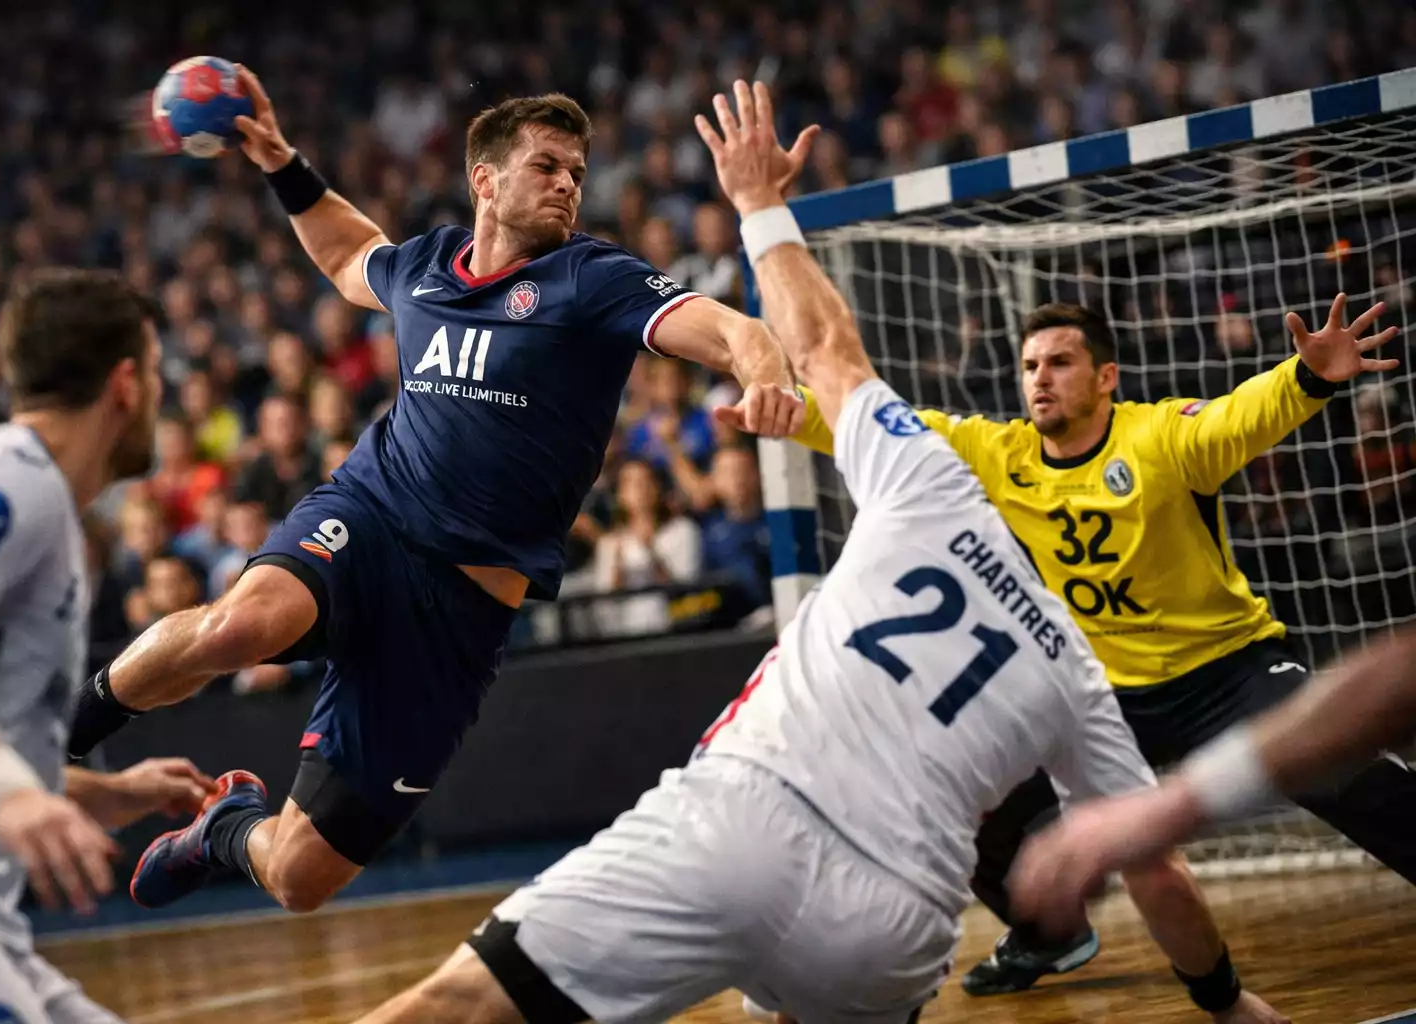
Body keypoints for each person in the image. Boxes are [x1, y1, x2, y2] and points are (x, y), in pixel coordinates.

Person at [344, 79, 1286, 1024]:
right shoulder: (1077, 667)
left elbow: (827, 348)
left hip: (742, 821)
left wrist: (760, 204)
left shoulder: (928, 485)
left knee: (460, 1004)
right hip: (899, 921)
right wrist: (1227, 1001)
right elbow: (1156, 873)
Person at [66, 69, 806, 916]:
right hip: (373, 519)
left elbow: (728, 329)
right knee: (240, 624)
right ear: (484, 180)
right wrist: (282, 163)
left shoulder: (591, 279)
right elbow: (348, 253)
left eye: (576, 171)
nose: (568, 184)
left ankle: (225, 827)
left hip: (460, 609)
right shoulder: (423, 267)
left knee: (301, 879)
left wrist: (763, 370)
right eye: (546, 166)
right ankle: (65, 731)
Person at [784, 294, 1411, 993]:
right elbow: (886, 431)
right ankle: (1047, 936)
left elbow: (1240, 414)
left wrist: (1310, 379)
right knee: (968, 787)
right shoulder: (1000, 453)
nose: (1039, 379)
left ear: (1106, 377)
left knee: (1351, 774)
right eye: (1029, 366)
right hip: (1101, 695)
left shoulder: (1161, 437)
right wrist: (796, 411)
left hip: (1226, 672)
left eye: (1059, 362)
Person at [0, 269, 216, 1023]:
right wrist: (10, 796)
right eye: (159, 374)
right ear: (126, 384)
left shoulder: (28, 493)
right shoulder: (12, 482)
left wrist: (112, 795)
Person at [1011, 623, 1416, 938]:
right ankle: (1041, 942)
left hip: (1225, 666)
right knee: (991, 789)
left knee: (1354, 780)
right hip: (1110, 690)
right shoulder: (1004, 514)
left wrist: (1176, 806)